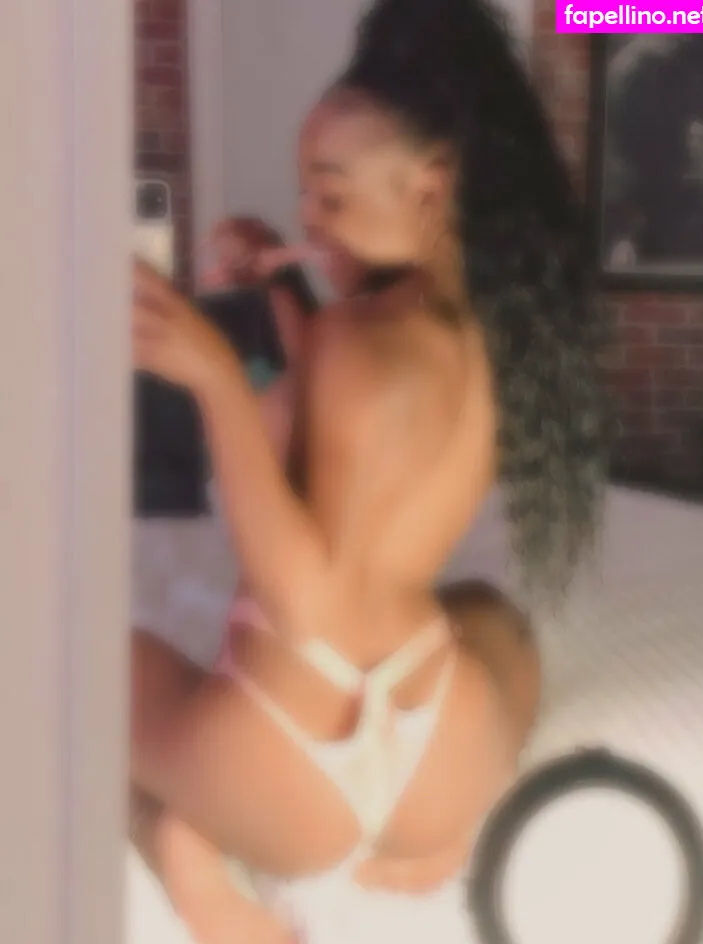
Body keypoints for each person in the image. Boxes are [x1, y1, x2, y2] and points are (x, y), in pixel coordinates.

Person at [130, 0, 610, 941]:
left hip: (287, 758)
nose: (308, 219)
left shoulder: (351, 339)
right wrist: (279, 285)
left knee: (79, 675)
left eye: (330, 194)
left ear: (429, 188)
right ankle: (437, 832)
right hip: (440, 757)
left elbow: (305, 596)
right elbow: (352, 402)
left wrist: (216, 379)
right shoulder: (496, 334)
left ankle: (190, 861)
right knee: (493, 617)